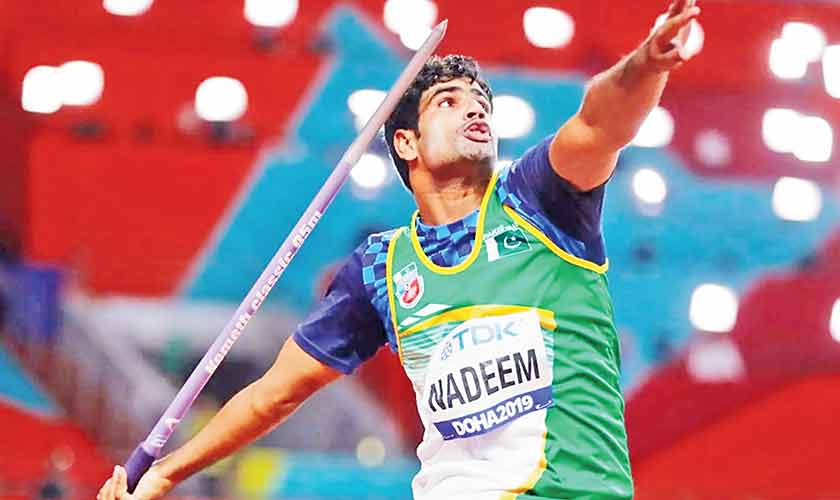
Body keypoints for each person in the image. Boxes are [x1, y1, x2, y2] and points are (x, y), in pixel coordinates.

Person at [97, 2, 700, 498]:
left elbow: (600, 123)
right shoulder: (381, 270)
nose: (475, 108)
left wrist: (647, 63)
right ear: (406, 143)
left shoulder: (539, 201)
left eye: (480, 102)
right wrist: (168, 472)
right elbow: (273, 392)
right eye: (449, 102)